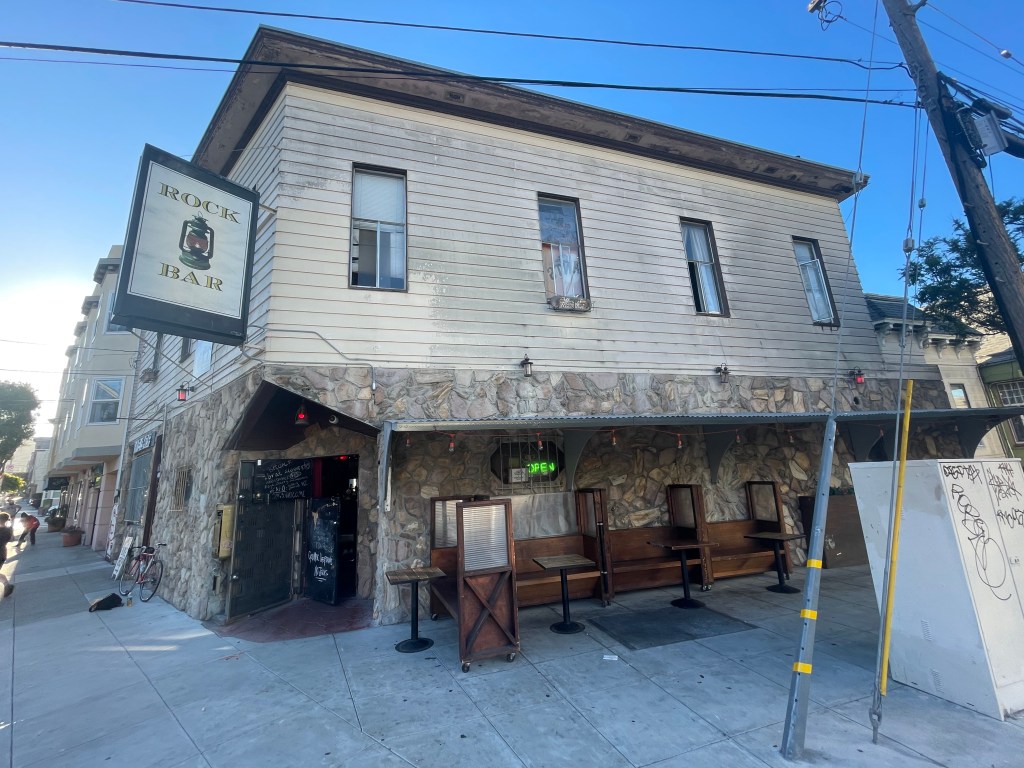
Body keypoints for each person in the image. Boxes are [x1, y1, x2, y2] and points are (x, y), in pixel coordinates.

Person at [0, 512, 13, 598]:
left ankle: (7, 585)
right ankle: (7, 585)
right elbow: (10, 539)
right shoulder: (9, 530)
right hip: (3, 552)